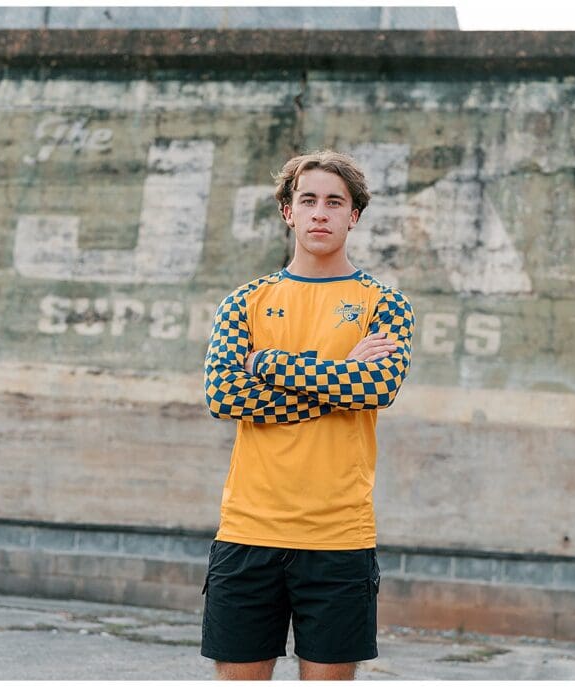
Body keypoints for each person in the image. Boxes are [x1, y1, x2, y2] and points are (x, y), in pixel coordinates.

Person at [201, 150, 415, 680]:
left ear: (354, 216)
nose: (321, 212)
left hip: (339, 537)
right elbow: (224, 396)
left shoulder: (384, 304)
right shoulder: (244, 303)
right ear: (288, 212)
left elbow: (377, 387)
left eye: (334, 202)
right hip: (249, 530)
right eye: (308, 200)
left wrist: (267, 363)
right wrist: (340, 378)